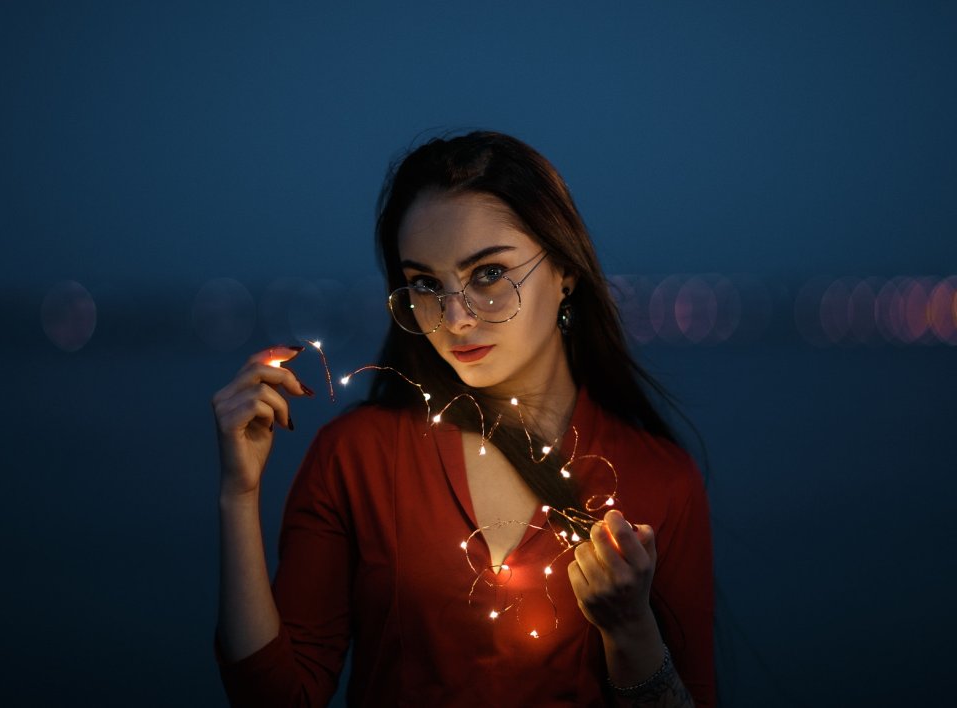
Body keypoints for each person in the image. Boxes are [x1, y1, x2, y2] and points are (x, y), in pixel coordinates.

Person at [211, 131, 714, 707]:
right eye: (425, 284)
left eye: (488, 274)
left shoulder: (660, 482)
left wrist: (631, 630)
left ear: (565, 271)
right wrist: (238, 494)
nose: (454, 318)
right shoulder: (359, 458)